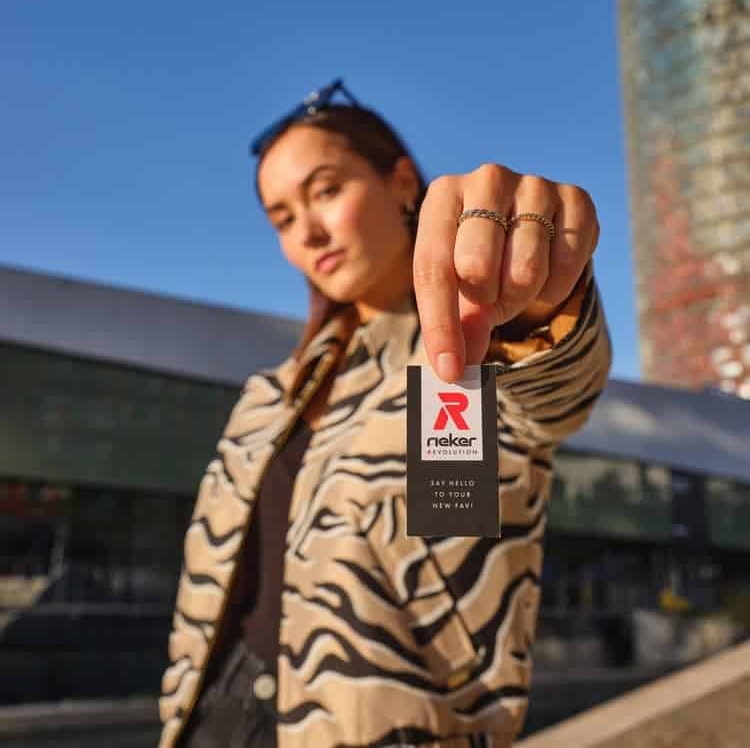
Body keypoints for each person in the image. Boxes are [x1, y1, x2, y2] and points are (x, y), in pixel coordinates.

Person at [158, 81, 611, 748]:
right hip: (210, 722)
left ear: (401, 182)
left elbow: (548, 396)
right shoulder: (266, 398)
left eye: (326, 190)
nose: (308, 231)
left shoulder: (458, 364)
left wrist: (539, 296)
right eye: (282, 219)